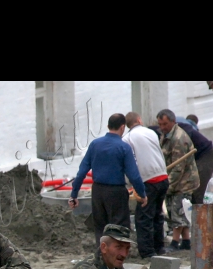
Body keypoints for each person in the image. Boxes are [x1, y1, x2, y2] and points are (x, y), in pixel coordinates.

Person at [70, 114, 147, 247]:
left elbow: (82, 171)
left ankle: (102, 256)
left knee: (101, 228)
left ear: (108, 126)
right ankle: (117, 259)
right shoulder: (124, 147)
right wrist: (142, 194)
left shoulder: (95, 144)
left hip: (97, 191)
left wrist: (74, 195)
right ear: (123, 127)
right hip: (116, 192)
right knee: (119, 229)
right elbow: (134, 176)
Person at [123, 112, 170, 259]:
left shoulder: (127, 139)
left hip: (148, 180)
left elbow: (132, 162)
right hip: (162, 177)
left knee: (144, 218)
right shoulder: (151, 132)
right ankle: (160, 247)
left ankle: (148, 252)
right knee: (157, 214)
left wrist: (131, 183)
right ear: (139, 120)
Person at [157, 109, 200, 252]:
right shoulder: (166, 134)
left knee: (178, 211)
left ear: (173, 121)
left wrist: (166, 186)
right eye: (160, 124)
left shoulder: (178, 139)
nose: (162, 127)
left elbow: (178, 168)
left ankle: (175, 242)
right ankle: (186, 241)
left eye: (165, 124)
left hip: (184, 181)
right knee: (180, 211)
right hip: (178, 180)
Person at [176, 118, 213, 208]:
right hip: (195, 157)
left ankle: (200, 219)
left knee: (197, 189)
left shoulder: (183, 128)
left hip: (205, 154)